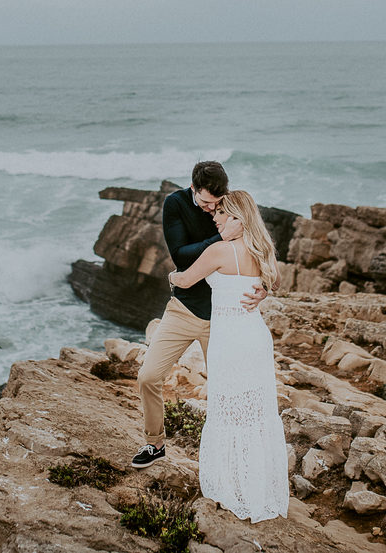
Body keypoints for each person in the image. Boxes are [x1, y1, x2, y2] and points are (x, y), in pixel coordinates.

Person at [132, 161, 266, 469]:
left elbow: (257, 249)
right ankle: (155, 444)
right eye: (206, 203)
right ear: (194, 189)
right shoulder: (175, 204)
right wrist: (220, 239)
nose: (211, 210)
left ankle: (233, 455)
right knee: (148, 376)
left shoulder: (229, 206)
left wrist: (264, 288)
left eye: (217, 204)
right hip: (184, 308)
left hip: (224, 317)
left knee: (226, 389)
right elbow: (180, 255)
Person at [169, 190, 289, 523]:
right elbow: (275, 280)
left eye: (220, 212)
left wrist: (172, 276)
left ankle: (230, 487)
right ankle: (257, 489)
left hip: (229, 339)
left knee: (228, 409)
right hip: (255, 336)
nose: (215, 217)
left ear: (236, 217)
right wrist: (261, 290)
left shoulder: (218, 250)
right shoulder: (260, 248)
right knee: (255, 412)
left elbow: (186, 279)